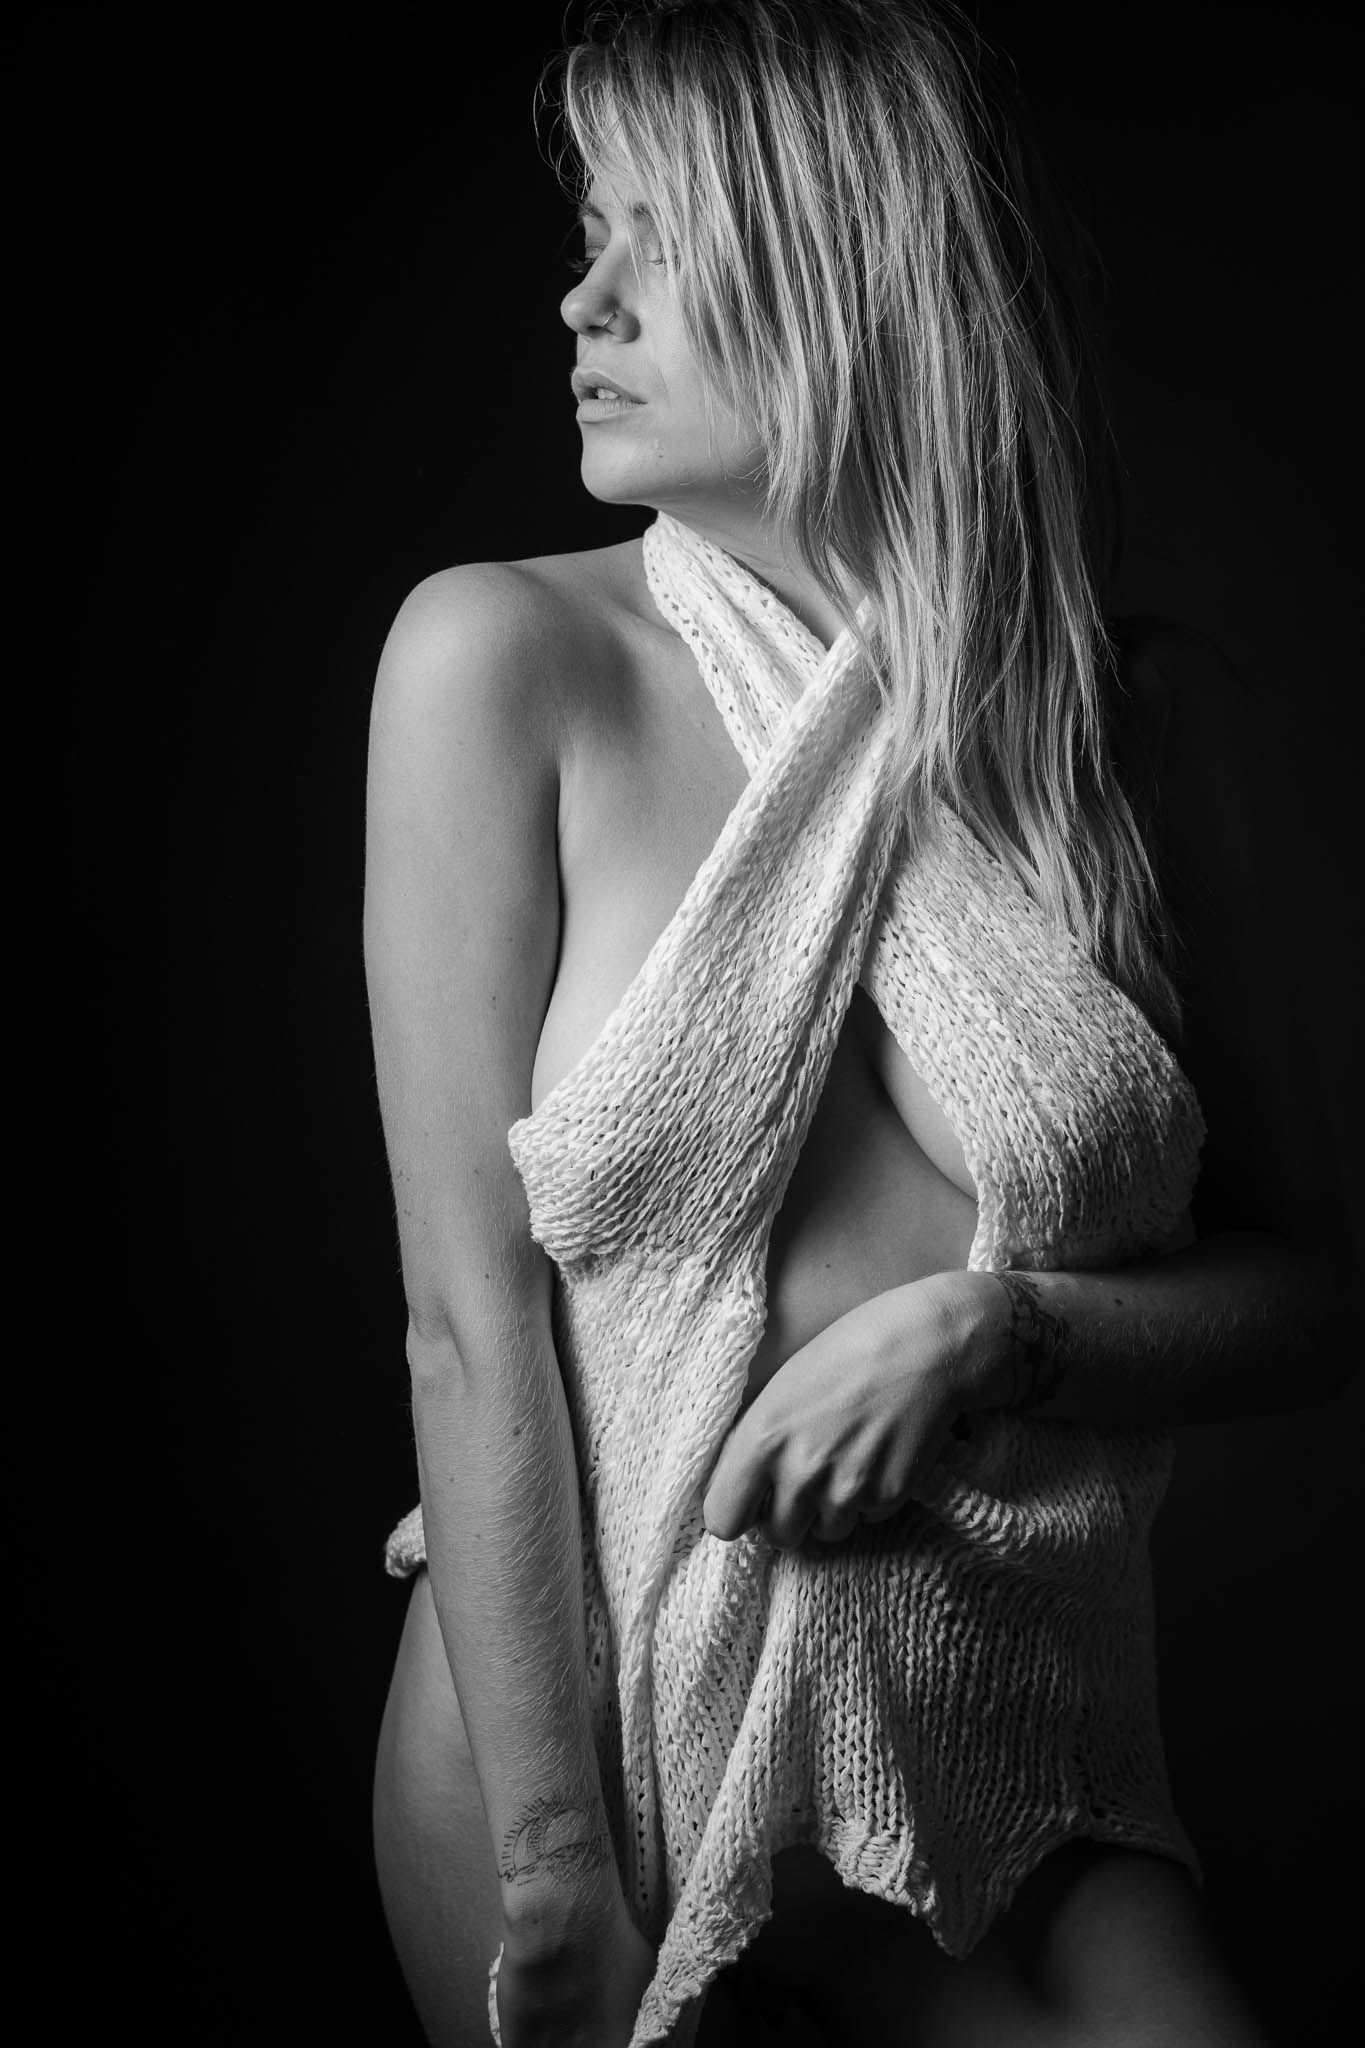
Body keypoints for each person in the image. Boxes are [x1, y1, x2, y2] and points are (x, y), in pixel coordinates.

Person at [364, 4, 1352, 2043]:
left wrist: (1001, 1333)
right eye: (587, 237)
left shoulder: (1128, 733)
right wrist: (554, 1873)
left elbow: (1306, 1295)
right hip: (595, 1765)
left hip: (1016, 1744)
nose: (582, 299)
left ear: (845, 270)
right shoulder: (504, 664)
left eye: (658, 241)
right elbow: (465, 1319)